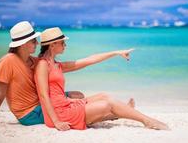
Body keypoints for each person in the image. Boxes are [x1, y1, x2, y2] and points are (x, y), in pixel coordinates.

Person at [35, 27, 170, 131]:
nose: (65, 45)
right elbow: (43, 95)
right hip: (59, 114)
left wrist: (116, 53)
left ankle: (133, 114)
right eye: (63, 43)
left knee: (104, 96)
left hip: (65, 105)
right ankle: (146, 120)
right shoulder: (42, 65)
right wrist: (56, 122)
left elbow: (89, 60)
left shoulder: (57, 65)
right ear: (52, 45)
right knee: (107, 105)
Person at [0, 21, 84, 130]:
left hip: (40, 103)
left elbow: (59, 66)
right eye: (33, 41)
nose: (37, 43)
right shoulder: (7, 61)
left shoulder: (32, 60)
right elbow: (0, 94)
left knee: (77, 95)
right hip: (29, 113)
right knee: (77, 106)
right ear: (23, 44)